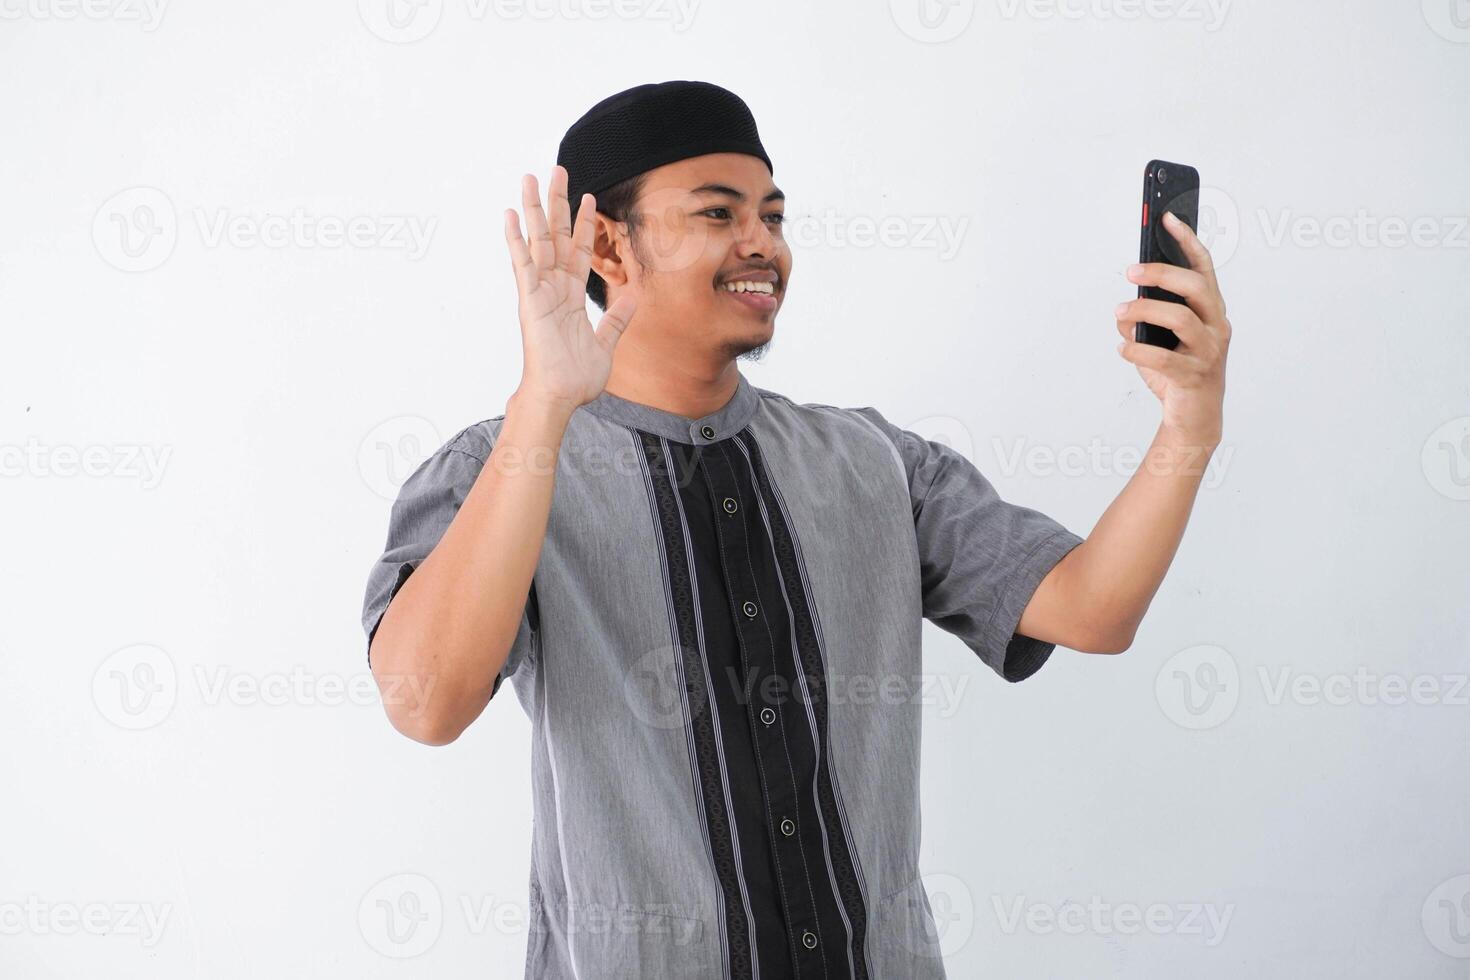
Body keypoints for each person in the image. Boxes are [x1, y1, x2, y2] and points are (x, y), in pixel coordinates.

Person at [359, 80, 1231, 980]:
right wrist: (543, 405)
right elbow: (425, 703)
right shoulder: (501, 469)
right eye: (718, 213)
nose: (761, 245)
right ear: (610, 247)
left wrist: (1188, 426)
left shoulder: (875, 464)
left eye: (773, 217)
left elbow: (1095, 610)